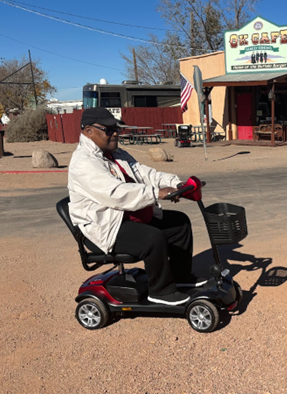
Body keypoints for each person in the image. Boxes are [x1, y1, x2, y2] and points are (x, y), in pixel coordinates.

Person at [68, 108, 206, 306]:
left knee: (179, 223)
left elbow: (145, 174)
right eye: (108, 129)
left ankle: (181, 277)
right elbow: (115, 193)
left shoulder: (115, 153)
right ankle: (161, 292)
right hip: (105, 226)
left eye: (116, 128)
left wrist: (176, 184)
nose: (115, 133)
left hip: (125, 216)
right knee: (152, 238)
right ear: (88, 131)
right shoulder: (84, 162)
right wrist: (155, 193)